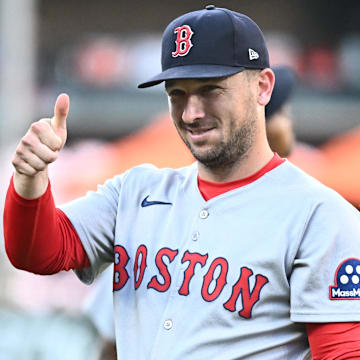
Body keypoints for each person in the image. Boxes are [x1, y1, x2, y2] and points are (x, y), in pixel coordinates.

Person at [3, 5, 360, 359]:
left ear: (263, 87)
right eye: (178, 94)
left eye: (210, 90)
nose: (191, 112)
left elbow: (342, 354)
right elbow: (37, 252)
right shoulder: (135, 191)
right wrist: (29, 179)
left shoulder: (321, 215)